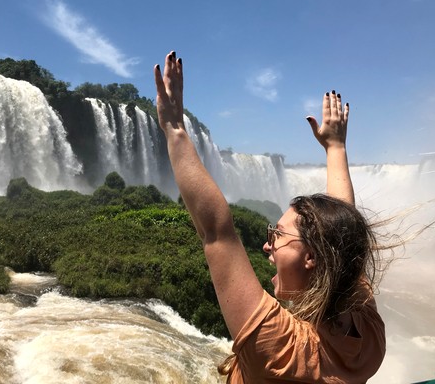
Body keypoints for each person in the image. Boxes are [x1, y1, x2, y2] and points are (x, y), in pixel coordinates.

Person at [154, 51, 385, 383]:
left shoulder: (284, 352)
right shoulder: (367, 333)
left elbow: (217, 232)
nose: (266, 246)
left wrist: (174, 128)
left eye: (277, 235)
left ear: (311, 258)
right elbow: (344, 238)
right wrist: (336, 148)